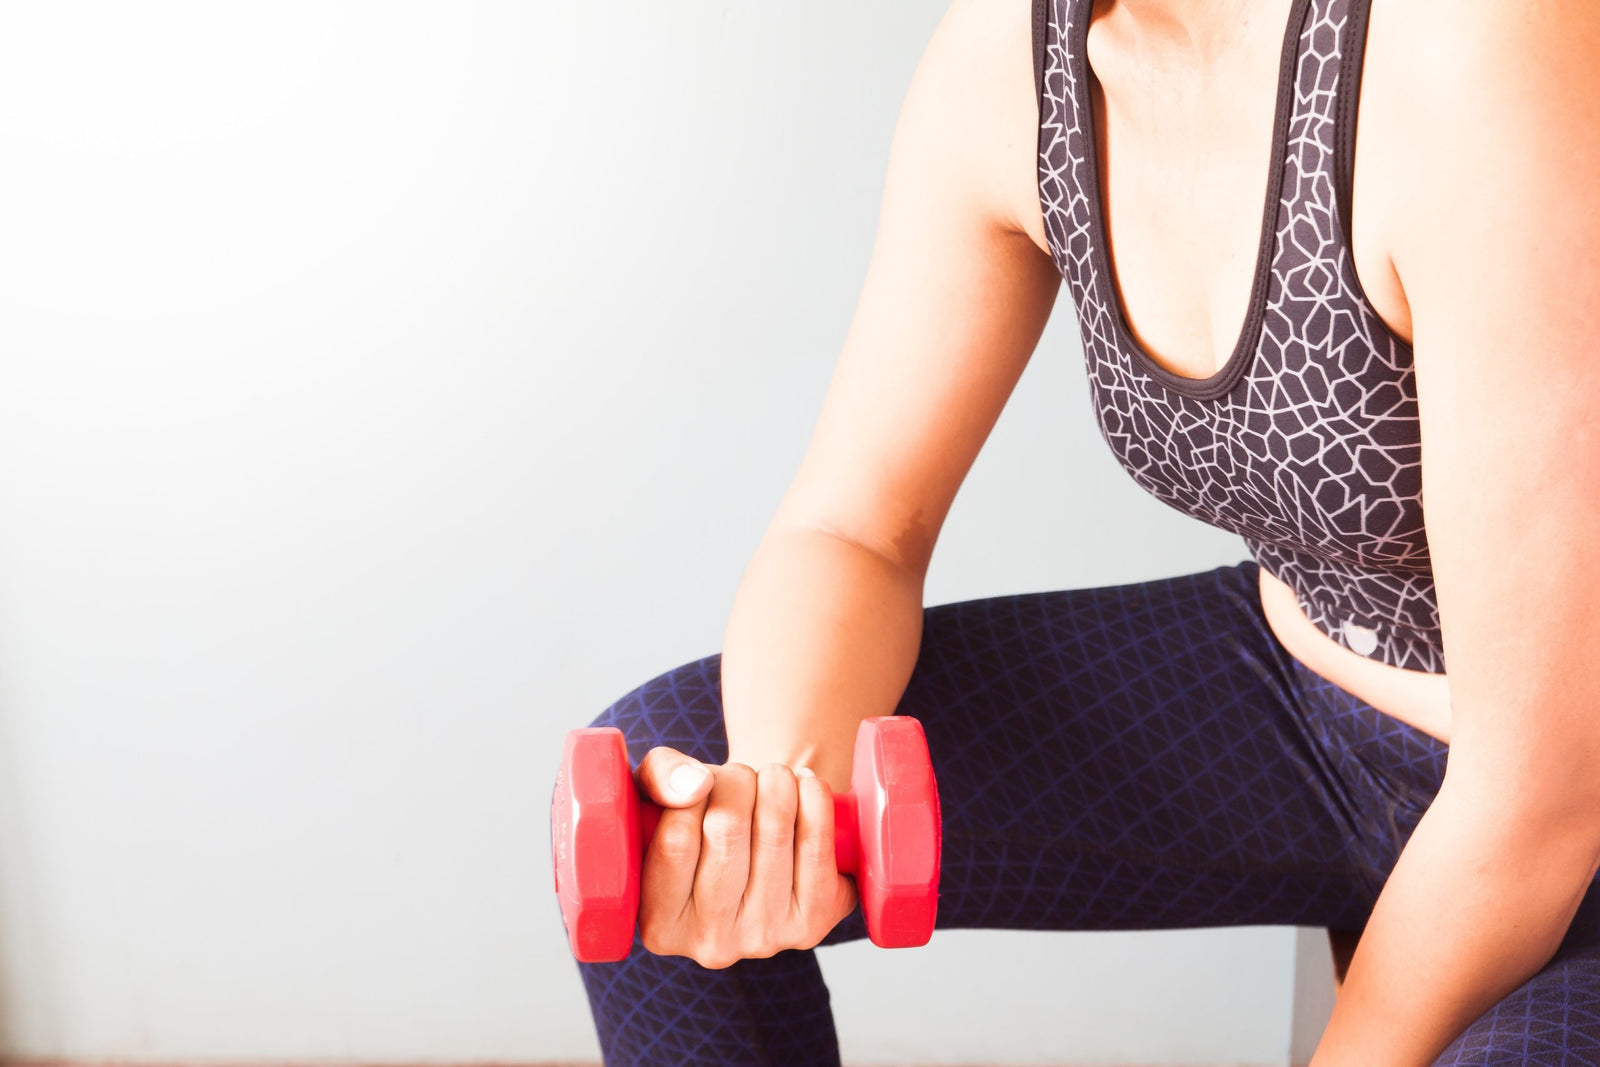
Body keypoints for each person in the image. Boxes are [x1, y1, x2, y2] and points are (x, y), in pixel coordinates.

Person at [567, 0, 1600, 1062]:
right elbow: (858, 525)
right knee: (668, 834)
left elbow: (1542, 795)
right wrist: (774, 809)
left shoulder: (1473, 46)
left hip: (1562, 799)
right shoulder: (1012, 61)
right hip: (1300, 708)